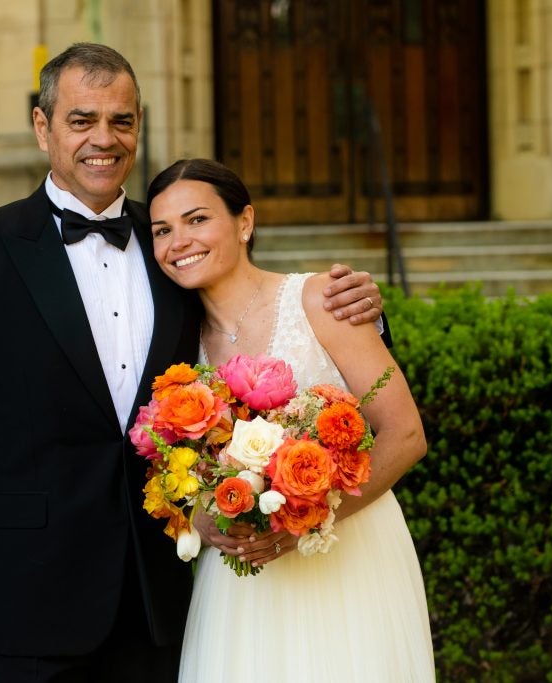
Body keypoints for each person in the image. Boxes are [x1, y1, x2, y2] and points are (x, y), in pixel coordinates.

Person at [0, 43, 384, 682]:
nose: (103, 139)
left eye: (122, 121)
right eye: (81, 120)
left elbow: (267, 326)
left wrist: (364, 308)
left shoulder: (176, 246)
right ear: (42, 126)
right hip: (30, 591)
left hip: (164, 590)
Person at [147, 158, 434, 682]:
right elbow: (180, 472)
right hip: (242, 582)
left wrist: (306, 522)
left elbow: (407, 434)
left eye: (197, 220)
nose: (178, 242)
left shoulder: (322, 300)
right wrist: (201, 520)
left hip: (347, 559)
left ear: (245, 222)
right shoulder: (175, 346)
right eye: (162, 230)